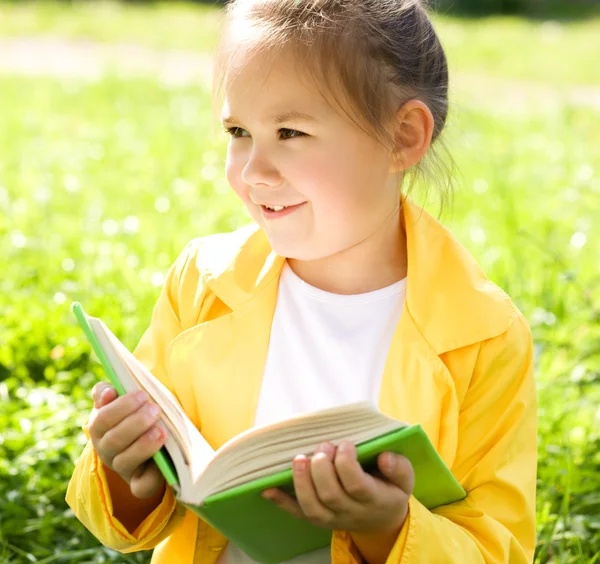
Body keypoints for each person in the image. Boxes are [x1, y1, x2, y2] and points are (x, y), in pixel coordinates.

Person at [65, 0, 537, 562]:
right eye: (239, 130)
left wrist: (389, 528)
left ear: (402, 137)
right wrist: (128, 474)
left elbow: (497, 545)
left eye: (290, 132)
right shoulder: (203, 282)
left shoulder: (482, 335)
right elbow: (150, 505)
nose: (253, 170)